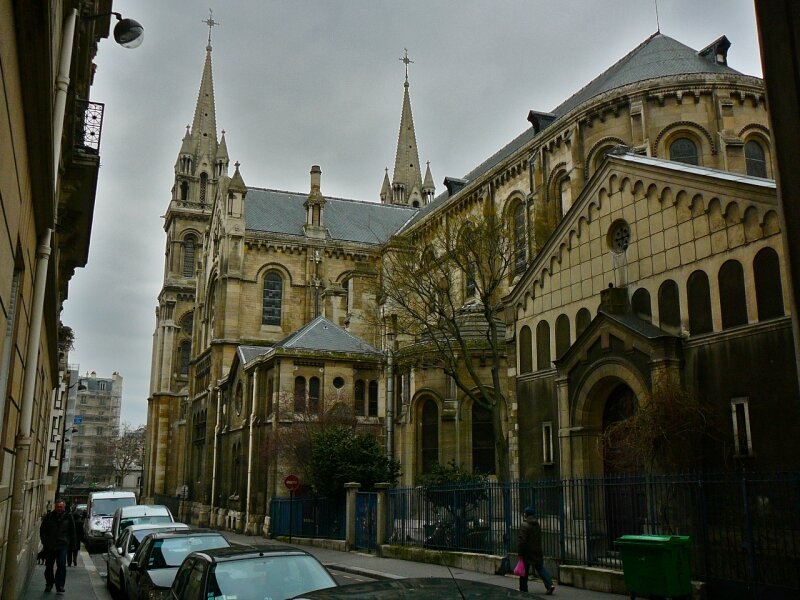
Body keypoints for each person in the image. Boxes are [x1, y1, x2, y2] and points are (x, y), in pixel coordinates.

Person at [40, 499, 76, 594]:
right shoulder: (49, 516)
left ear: (64, 507)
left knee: (61, 565)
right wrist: (45, 542)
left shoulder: (68, 517)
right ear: (55, 507)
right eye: (57, 507)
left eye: (60, 507)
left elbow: (72, 532)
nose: (59, 508)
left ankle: (60, 585)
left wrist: (72, 545)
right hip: (50, 546)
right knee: (49, 566)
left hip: (62, 545)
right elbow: (43, 530)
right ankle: (49, 584)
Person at [517, 506, 555, 595]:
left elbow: (522, 541)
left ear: (526, 514)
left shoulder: (524, 525)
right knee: (540, 568)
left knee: (524, 571)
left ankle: (523, 589)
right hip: (537, 550)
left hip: (527, 552)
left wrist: (520, 553)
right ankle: (549, 584)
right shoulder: (537, 524)